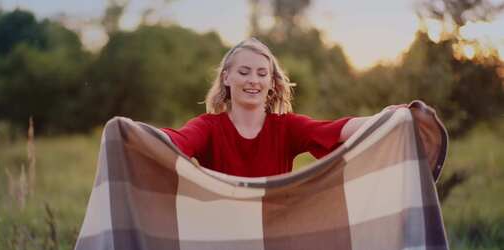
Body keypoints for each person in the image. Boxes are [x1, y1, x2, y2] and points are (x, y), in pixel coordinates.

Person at [161, 37, 404, 177]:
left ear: (271, 82)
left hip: (273, 241)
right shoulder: (208, 127)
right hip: (222, 239)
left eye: (261, 73)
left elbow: (337, 129)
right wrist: (128, 132)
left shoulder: (286, 127)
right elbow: (174, 140)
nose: (253, 80)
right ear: (226, 77)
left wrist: (385, 118)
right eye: (244, 72)